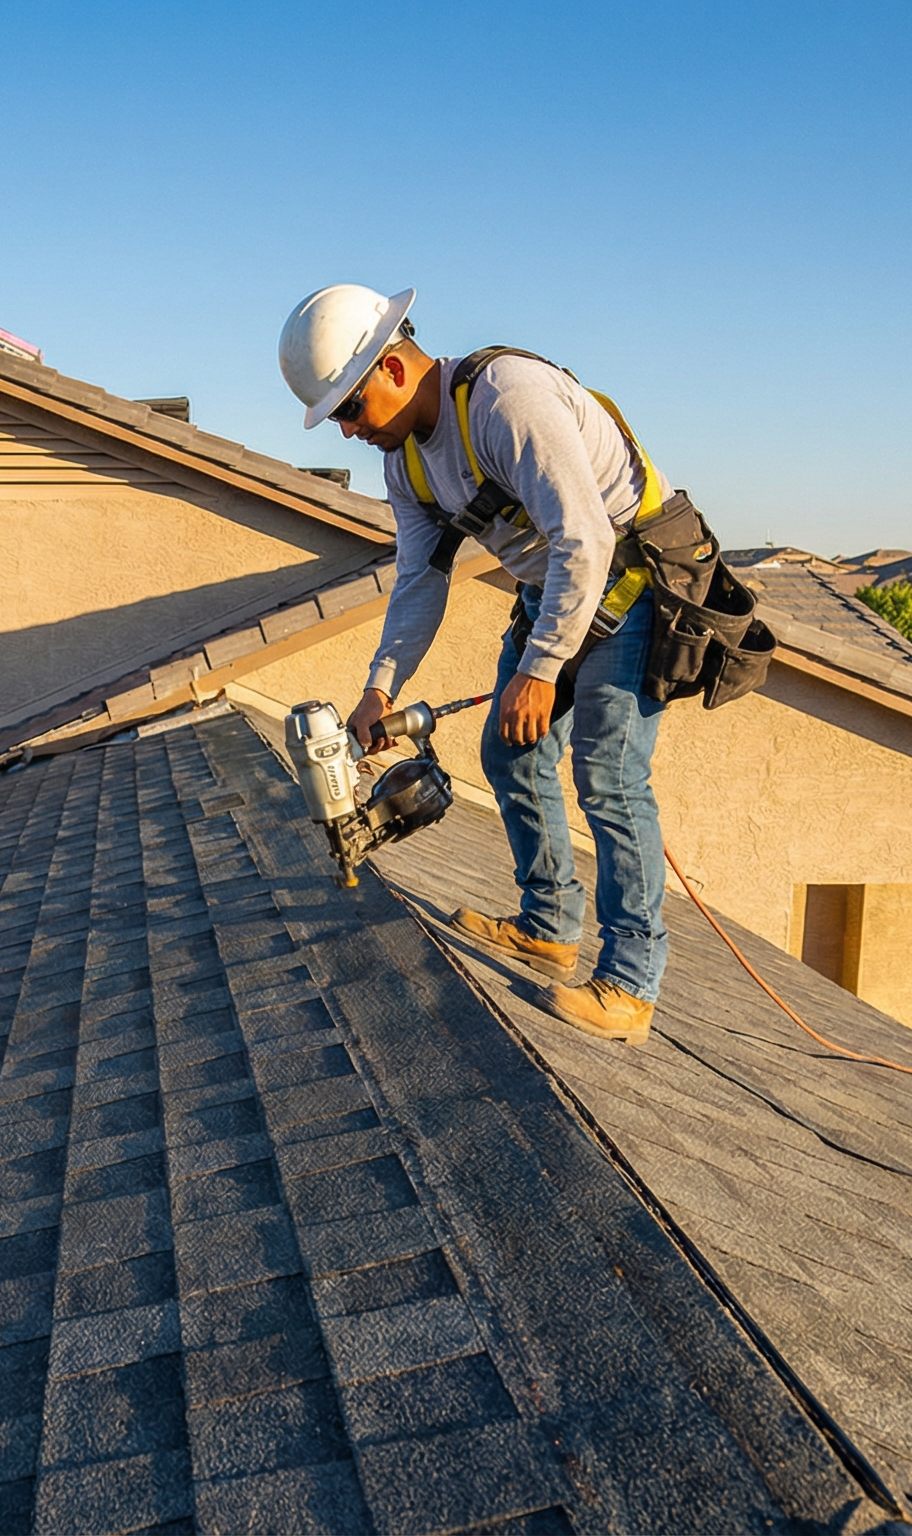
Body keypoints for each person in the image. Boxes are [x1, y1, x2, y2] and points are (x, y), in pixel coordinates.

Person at [279, 284, 669, 1042]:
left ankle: (631, 983)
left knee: (611, 778)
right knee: (510, 752)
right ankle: (551, 925)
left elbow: (585, 539)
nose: (348, 433)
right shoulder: (410, 466)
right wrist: (378, 688)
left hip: (626, 581)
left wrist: (542, 666)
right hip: (552, 588)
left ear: (391, 368)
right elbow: (421, 580)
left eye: (349, 411)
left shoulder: (504, 401)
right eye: (336, 421)